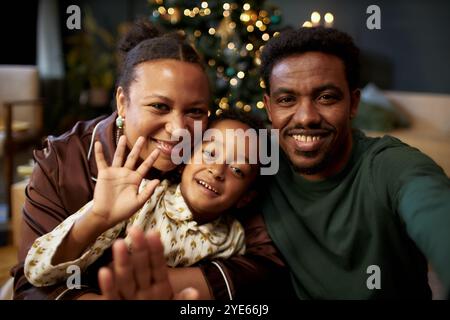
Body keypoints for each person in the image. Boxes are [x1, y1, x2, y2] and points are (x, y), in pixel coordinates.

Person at [11, 20, 291, 300]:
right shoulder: (61, 158)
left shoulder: (214, 154)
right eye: (159, 106)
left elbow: (266, 267)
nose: (178, 130)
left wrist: (169, 285)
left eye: (194, 111)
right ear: (122, 102)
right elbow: (31, 283)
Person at [259, 26, 450, 299]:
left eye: (326, 97)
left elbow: (432, 205)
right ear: (269, 107)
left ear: (353, 103)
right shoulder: (256, 160)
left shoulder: (389, 166)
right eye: (286, 99)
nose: (305, 117)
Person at [24, 110, 263, 289]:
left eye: (237, 169)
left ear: (245, 197)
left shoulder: (234, 238)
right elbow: (39, 272)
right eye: (210, 153)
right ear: (184, 163)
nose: (217, 170)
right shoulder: (141, 198)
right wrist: (98, 217)